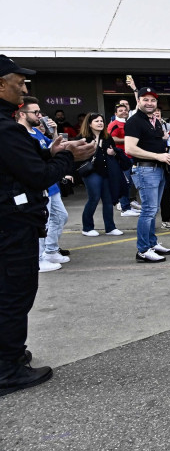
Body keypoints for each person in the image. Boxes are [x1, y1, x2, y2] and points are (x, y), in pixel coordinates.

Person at [0, 54, 95, 396]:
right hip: (11, 225)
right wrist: (69, 156)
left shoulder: (8, 127)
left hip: (10, 223)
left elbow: (20, 162)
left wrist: (52, 151)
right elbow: (38, 175)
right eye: (19, 82)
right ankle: (7, 369)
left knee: (9, 292)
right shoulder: (5, 128)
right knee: (14, 294)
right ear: (0, 84)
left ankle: (8, 355)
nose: (24, 89)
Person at [15, 97, 71, 273]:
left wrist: (54, 131)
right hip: (38, 186)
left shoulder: (37, 132)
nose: (40, 115)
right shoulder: (19, 135)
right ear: (22, 114)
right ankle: (38, 258)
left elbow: (54, 149)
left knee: (60, 216)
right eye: (36, 112)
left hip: (51, 185)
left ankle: (51, 250)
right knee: (40, 222)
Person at [124, 87, 170, 263]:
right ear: (138, 101)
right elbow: (129, 148)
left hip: (158, 169)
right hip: (146, 169)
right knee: (148, 210)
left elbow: (151, 142)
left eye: (152, 100)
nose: (149, 103)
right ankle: (143, 250)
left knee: (153, 210)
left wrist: (165, 142)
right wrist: (158, 155)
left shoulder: (154, 121)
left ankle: (152, 243)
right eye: (145, 99)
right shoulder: (134, 121)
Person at [79, 113, 124, 238]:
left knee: (108, 200)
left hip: (106, 172)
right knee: (94, 198)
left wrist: (113, 152)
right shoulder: (83, 138)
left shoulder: (107, 137)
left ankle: (110, 227)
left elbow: (114, 151)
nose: (100, 123)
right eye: (96, 121)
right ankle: (87, 227)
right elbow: (76, 157)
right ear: (89, 124)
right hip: (91, 172)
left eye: (101, 121)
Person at [107, 103, 140, 217]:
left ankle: (128, 205)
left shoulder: (129, 123)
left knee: (130, 183)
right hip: (121, 157)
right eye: (120, 110)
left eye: (125, 110)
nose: (123, 112)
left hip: (130, 157)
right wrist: (128, 140)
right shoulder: (114, 124)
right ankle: (125, 208)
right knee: (125, 182)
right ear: (115, 113)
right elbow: (112, 138)